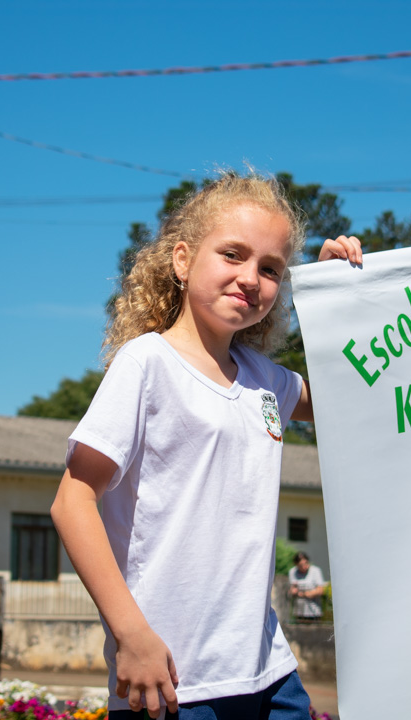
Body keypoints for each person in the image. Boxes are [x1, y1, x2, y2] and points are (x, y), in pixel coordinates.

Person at [51, 171, 362, 719]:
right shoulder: (147, 363)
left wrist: (346, 298)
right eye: (233, 255)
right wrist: (132, 636)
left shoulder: (269, 380)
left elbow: (353, 396)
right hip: (172, 680)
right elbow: (72, 501)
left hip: (269, 675)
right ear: (181, 260)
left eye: (271, 269)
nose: (251, 278)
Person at [288, 552, 327, 622]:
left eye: (306, 563)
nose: (304, 567)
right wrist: (294, 591)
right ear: (296, 565)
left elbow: (321, 590)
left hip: (314, 612)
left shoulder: (315, 571)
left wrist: (308, 593)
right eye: (301, 565)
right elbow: (293, 588)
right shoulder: (293, 572)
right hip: (299, 611)